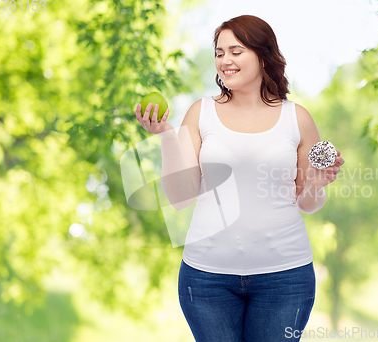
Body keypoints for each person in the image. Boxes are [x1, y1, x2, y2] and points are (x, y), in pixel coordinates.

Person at [135, 14, 344, 342]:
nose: (225, 60)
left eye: (235, 51)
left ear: (263, 56)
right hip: (206, 280)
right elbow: (181, 197)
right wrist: (165, 137)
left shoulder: (297, 118)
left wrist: (316, 183)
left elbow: (309, 204)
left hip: (285, 278)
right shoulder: (200, 112)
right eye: (219, 53)